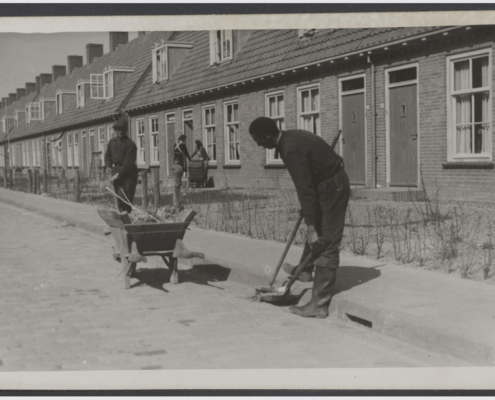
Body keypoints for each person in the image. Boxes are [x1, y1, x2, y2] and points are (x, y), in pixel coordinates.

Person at [249, 117, 350, 319]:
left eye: (259, 140)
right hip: (325, 182)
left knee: (324, 240)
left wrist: (311, 226)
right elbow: (308, 184)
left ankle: (319, 305)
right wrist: (309, 212)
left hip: (332, 186)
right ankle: (305, 271)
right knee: (314, 225)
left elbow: (304, 189)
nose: (259, 145)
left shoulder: (290, 149)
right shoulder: (289, 138)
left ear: (268, 136)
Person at [104, 114, 138, 214]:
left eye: (122, 129)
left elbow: (128, 164)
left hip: (128, 175)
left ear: (126, 129)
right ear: (115, 130)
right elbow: (108, 156)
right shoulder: (112, 142)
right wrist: (108, 166)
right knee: (118, 199)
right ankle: (121, 221)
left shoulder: (130, 144)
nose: (120, 131)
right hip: (116, 172)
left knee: (126, 199)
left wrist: (117, 176)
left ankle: (127, 220)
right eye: (117, 129)